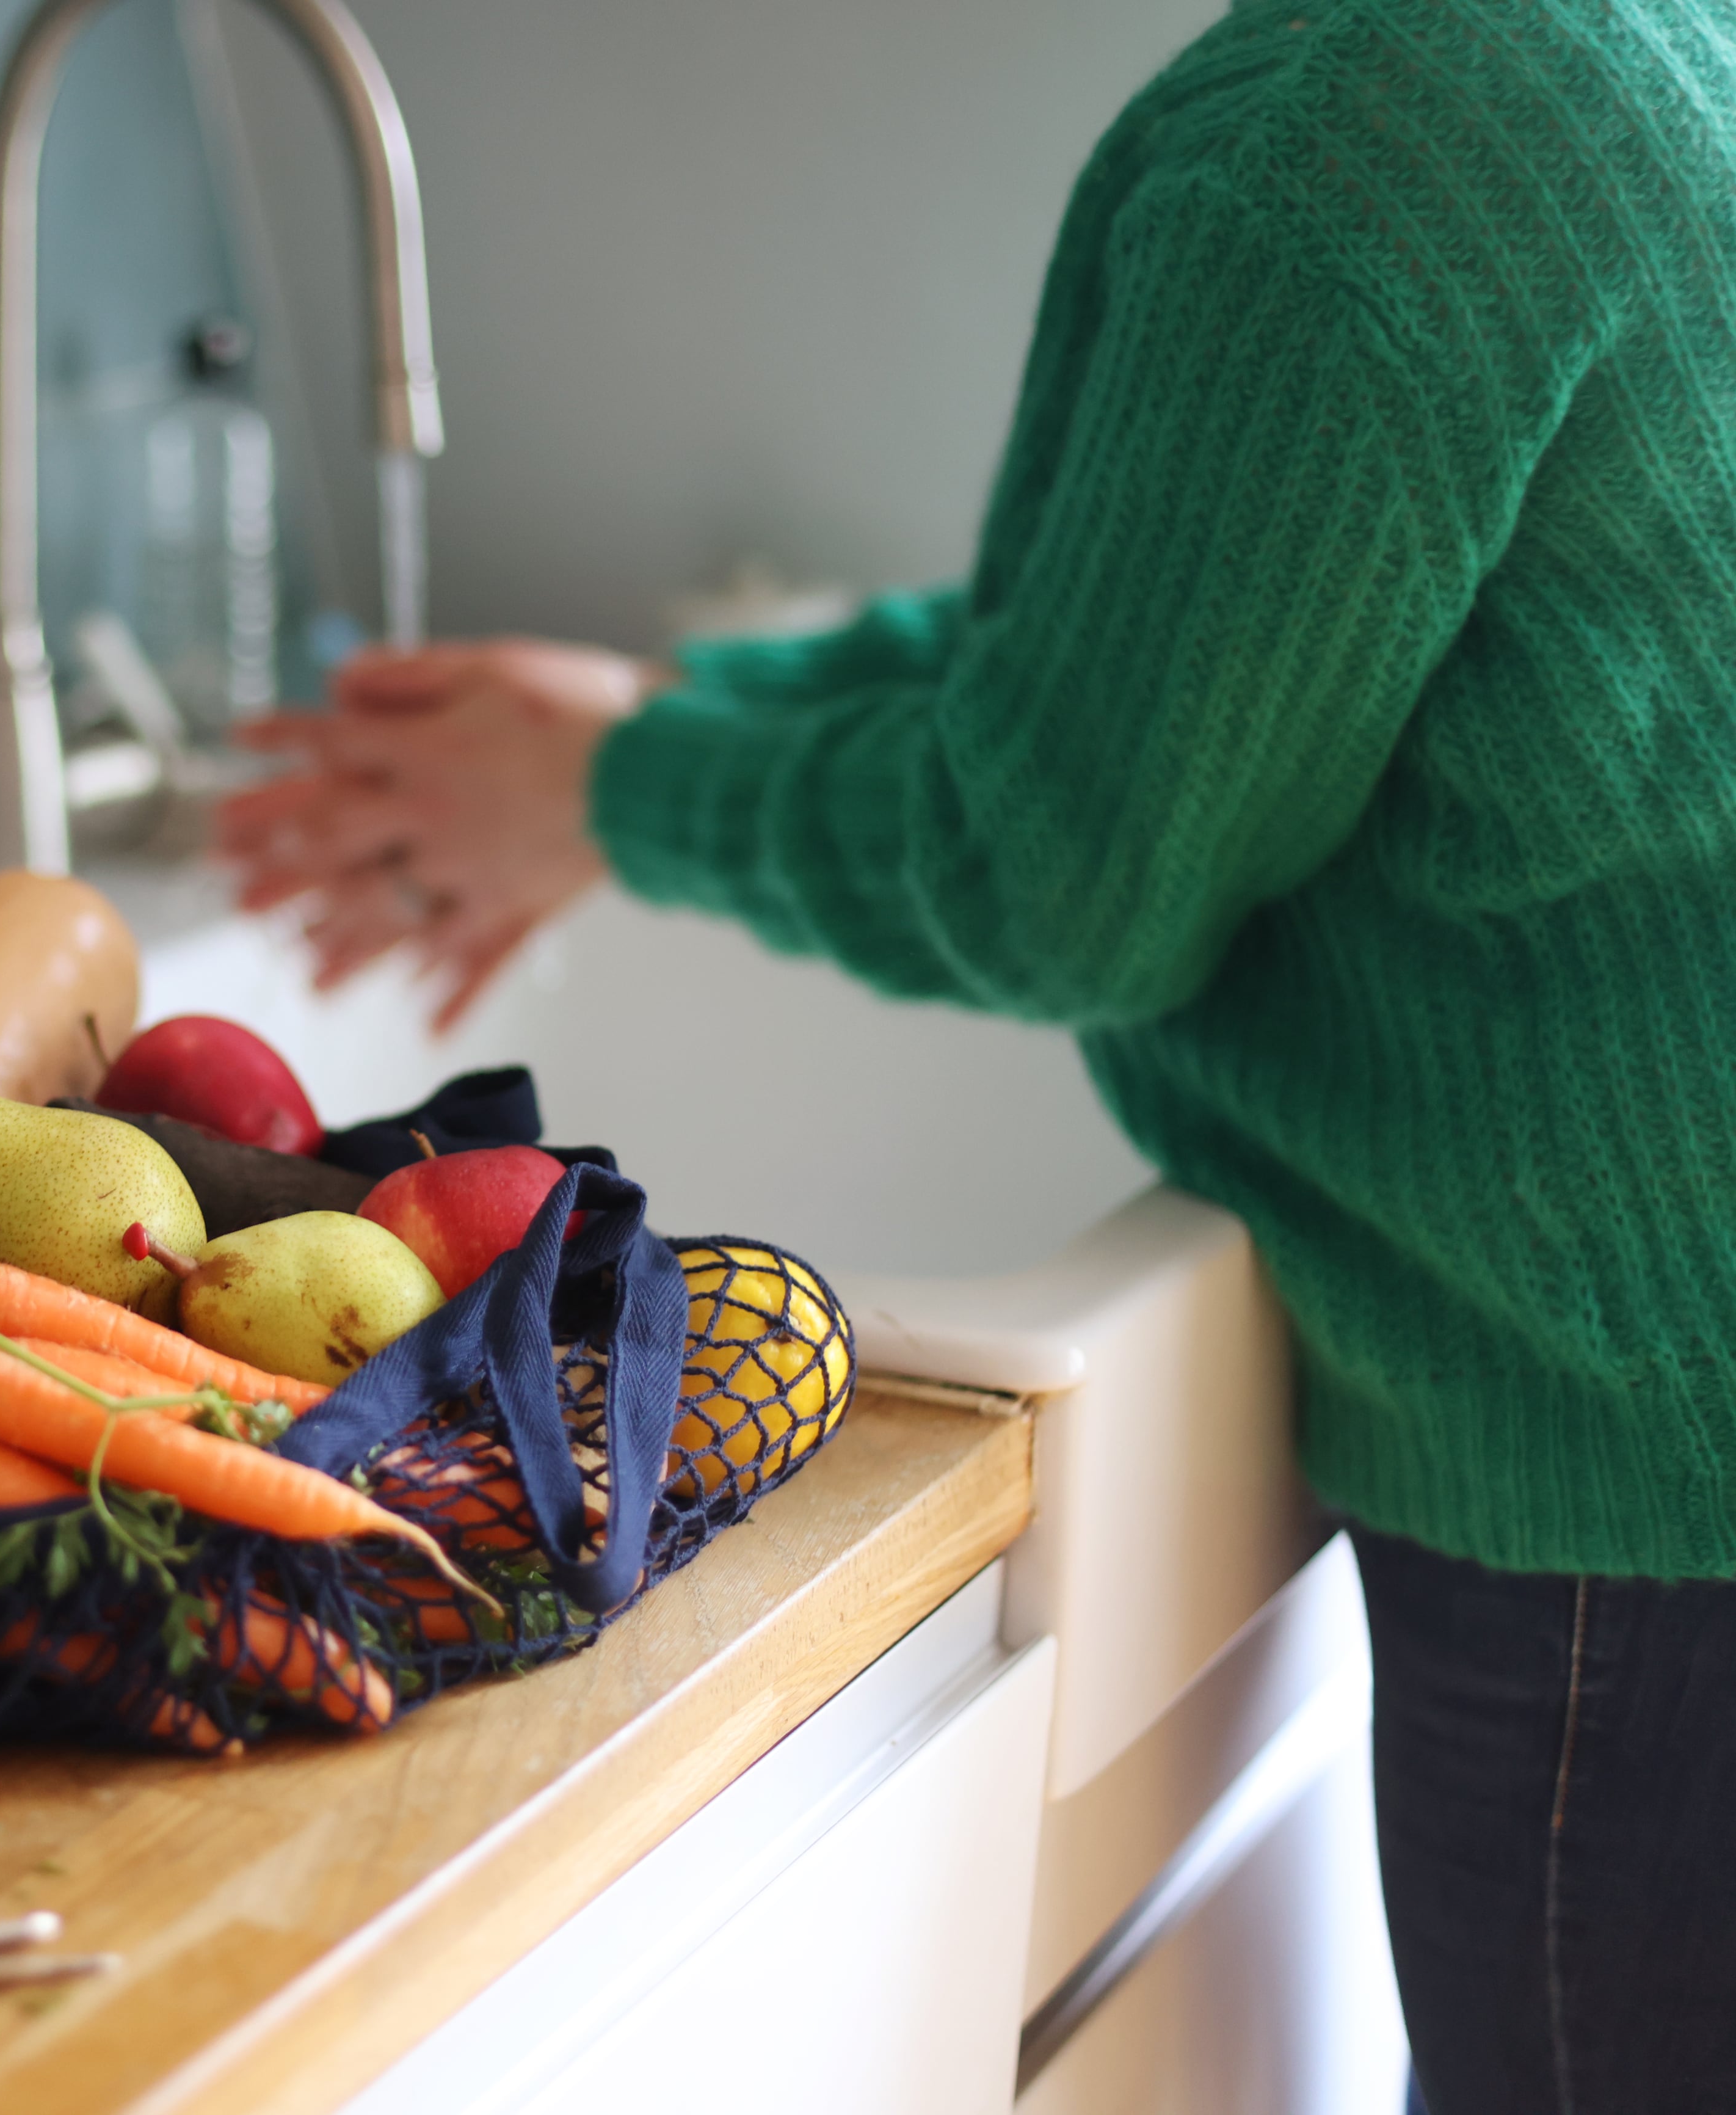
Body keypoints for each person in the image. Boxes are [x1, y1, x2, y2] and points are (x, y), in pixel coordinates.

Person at [218, 4, 1736, 2109]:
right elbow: (1153, 642)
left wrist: (638, 782)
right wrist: (642, 744)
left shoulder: (1365, 126)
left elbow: (1063, 870)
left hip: (1637, 1501)